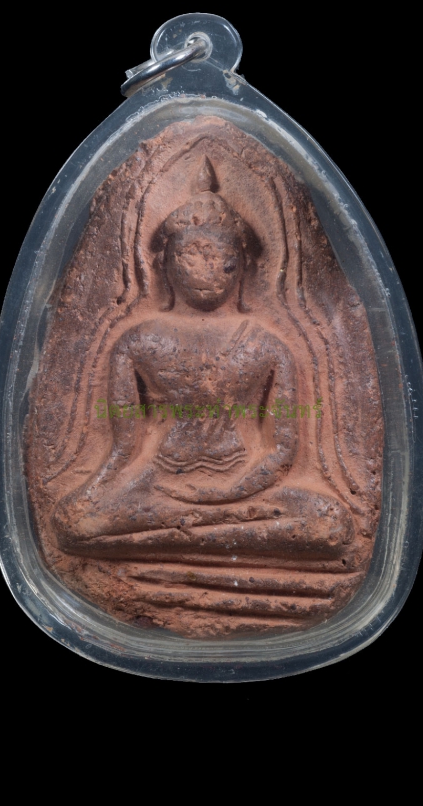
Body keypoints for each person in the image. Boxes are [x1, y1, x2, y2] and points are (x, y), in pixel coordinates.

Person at [53, 159, 353, 563]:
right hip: (158, 481)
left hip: (247, 486)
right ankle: (218, 538)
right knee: (72, 521)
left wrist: (230, 492)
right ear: (164, 263)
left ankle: (176, 539)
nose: (206, 269)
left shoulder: (267, 345)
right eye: (191, 254)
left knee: (332, 522)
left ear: (243, 265)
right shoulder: (138, 341)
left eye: (221, 256)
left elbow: (282, 451)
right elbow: (123, 450)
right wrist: (95, 491)